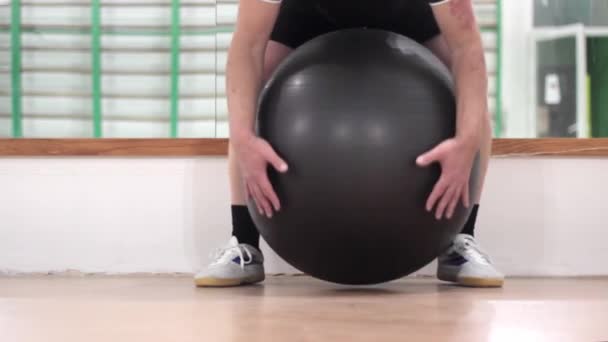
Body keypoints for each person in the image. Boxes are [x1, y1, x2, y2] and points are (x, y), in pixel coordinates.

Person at [195, 0, 504, 288]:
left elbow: (467, 48)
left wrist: (465, 143)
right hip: (307, 13)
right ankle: (244, 243)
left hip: (406, 12)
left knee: (472, 103)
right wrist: (244, 138)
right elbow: (247, 46)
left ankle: (461, 242)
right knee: (249, 95)